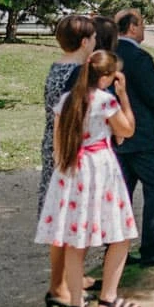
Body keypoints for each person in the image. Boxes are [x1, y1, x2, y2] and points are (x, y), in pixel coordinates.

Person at [35, 50, 143, 307]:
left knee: (75, 237)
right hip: (100, 166)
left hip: (71, 169)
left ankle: (75, 302)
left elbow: (59, 144)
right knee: (120, 234)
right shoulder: (105, 102)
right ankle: (108, 297)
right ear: (106, 77)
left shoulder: (66, 101)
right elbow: (127, 129)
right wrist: (124, 96)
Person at [112, 9, 154, 267]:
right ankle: (151, 248)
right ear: (131, 28)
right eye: (141, 25)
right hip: (142, 135)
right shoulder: (139, 57)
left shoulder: (108, 55)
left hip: (116, 134)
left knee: (122, 193)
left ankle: (115, 249)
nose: (143, 29)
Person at [37, 12, 96, 218]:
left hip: (51, 139)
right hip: (70, 142)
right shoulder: (79, 73)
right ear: (84, 42)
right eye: (94, 38)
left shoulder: (56, 67)